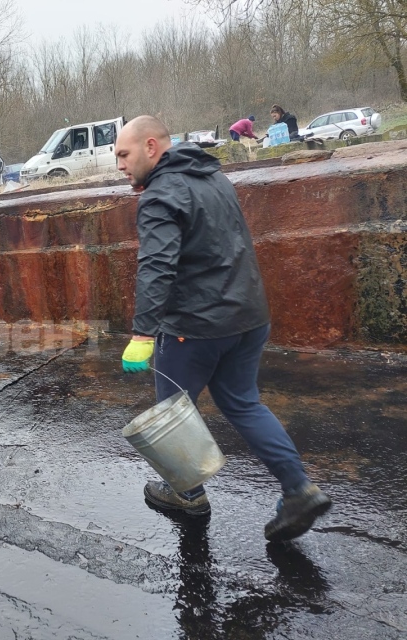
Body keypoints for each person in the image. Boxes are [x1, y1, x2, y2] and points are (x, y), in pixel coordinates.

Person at [114, 115, 332, 542]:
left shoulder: (160, 195)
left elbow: (157, 266)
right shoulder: (214, 177)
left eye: (124, 154)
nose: (119, 165)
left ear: (152, 147)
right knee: (244, 403)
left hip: (195, 328)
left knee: (173, 413)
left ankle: (188, 494)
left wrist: (142, 334)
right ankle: (298, 490)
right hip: (249, 316)